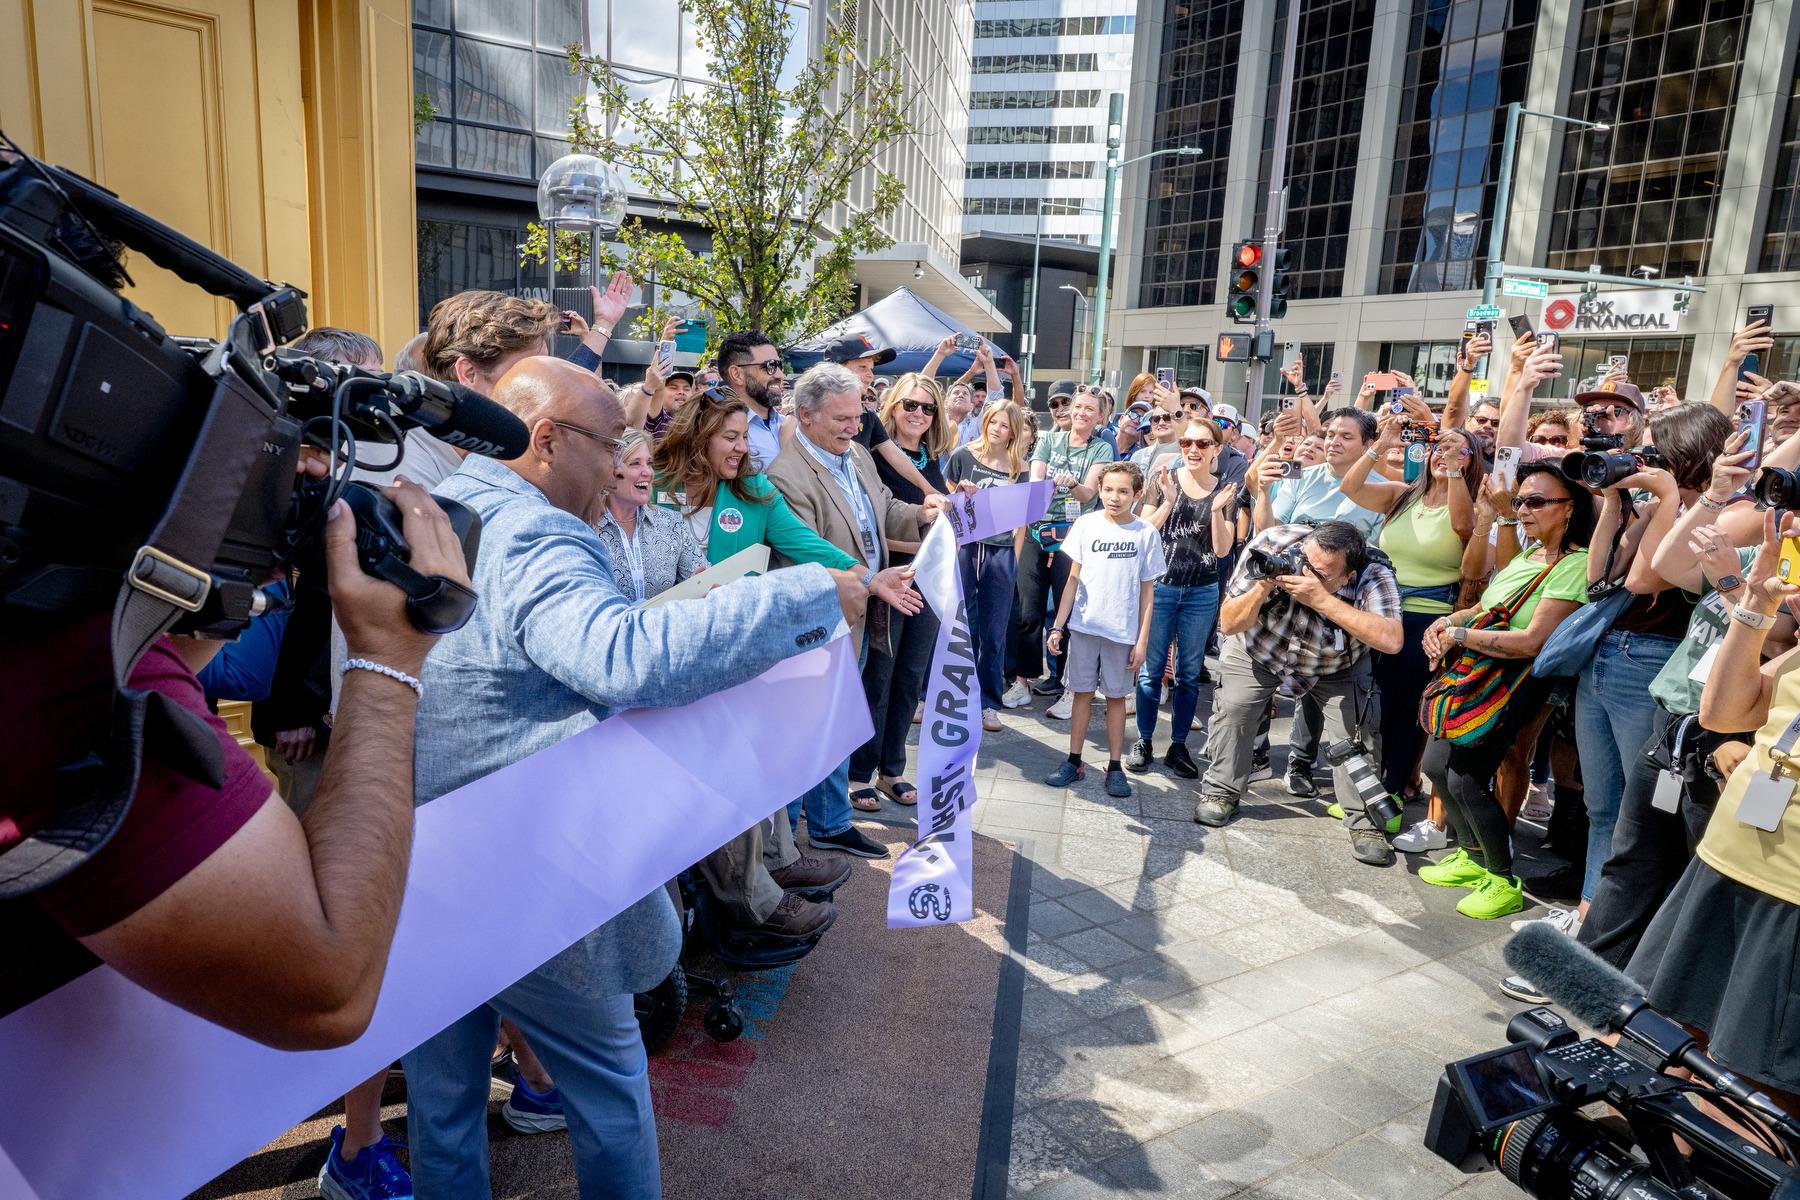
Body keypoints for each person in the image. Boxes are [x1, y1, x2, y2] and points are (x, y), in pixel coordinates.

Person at [402, 356, 869, 1200]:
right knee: (611, 1094)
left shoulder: (440, 507)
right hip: (533, 874)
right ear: (546, 440)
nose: (622, 463)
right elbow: (622, 657)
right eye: (610, 443)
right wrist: (808, 596)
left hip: (430, 858)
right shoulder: (534, 531)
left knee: (443, 1108)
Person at [3, 457, 464, 1075]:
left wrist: (243, 553)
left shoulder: (51, 622)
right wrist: (389, 658)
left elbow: (159, 659)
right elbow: (329, 994)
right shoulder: (55, 661)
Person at [599, 427, 846, 941]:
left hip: (672, 673)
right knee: (709, 763)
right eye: (636, 465)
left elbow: (703, 580)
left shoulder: (667, 525)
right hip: (615, 689)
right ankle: (754, 901)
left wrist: (713, 593)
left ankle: (776, 863)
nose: (647, 474)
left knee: (746, 735)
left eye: (648, 464)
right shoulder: (583, 530)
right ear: (608, 471)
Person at [1625, 507, 1800, 1102]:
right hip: (1724, 861)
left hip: (1789, 894)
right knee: (1668, 1039)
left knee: (1753, 1086)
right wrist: (1754, 602)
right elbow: (1721, 713)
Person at [766, 363, 947, 859]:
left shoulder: (858, 455)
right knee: (807, 730)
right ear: (806, 415)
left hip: (863, 613)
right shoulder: (785, 475)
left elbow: (884, 509)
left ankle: (830, 822)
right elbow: (806, 553)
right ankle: (783, 843)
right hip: (821, 621)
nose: (854, 426)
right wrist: (870, 580)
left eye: (858, 416)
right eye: (842, 418)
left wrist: (923, 512)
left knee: (839, 721)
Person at [1417, 462, 1594, 919]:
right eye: (1519, 501)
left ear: (1569, 508)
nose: (1524, 509)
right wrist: (1447, 622)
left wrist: (1459, 636)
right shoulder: (1528, 556)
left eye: (1536, 501)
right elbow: (1486, 605)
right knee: (1436, 765)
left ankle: (1501, 878)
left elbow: (1533, 641)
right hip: (1476, 673)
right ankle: (1472, 856)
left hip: (1513, 682)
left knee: (1468, 778)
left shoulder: (1574, 565)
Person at [1192, 521, 1404, 868]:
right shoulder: (1274, 543)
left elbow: (1392, 639)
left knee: (1356, 736)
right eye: (1305, 560)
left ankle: (1365, 823)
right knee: (1235, 708)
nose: (1305, 572)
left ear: (1346, 577)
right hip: (1260, 648)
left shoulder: (1373, 572)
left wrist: (1322, 600)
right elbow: (1228, 623)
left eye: (1320, 573)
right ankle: (1221, 791)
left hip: (1335, 664)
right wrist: (1262, 587)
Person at [1332, 414, 1484, 843]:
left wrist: (1454, 471)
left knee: (1405, 713)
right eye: (1440, 448)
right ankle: (1368, 788)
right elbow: (1350, 487)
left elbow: (1463, 527)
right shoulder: (1402, 495)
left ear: (1471, 462)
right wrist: (1382, 443)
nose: (1444, 455)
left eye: (1458, 450)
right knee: (1371, 705)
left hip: (1426, 617)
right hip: (1381, 610)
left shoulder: (1471, 504)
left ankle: (1394, 792)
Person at [849, 374, 954, 810]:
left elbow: (944, 519)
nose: (918, 413)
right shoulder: (873, 454)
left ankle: (892, 768)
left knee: (911, 675)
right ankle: (859, 773)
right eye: (910, 404)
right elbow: (871, 528)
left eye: (928, 407)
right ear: (892, 405)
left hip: (928, 580)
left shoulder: (933, 459)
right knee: (880, 675)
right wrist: (921, 548)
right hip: (889, 577)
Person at [1042, 462, 1166, 798]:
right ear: (1099, 489)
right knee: (1081, 693)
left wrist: (1142, 641)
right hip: (1084, 626)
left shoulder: (1145, 533)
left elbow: (1148, 593)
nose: (1114, 497)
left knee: (1115, 698)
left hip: (1121, 633)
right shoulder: (1086, 524)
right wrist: (1058, 626)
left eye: (1123, 491)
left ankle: (1114, 766)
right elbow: (1072, 579)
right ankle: (1074, 760)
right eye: (1108, 489)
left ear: (1137, 494)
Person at [1126, 417, 1232, 779]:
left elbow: (1222, 549)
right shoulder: (1163, 481)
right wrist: (1168, 502)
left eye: (1202, 444)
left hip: (1202, 590)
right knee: (1151, 670)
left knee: (1188, 674)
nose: (1193, 449)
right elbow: (1143, 532)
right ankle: (1143, 741)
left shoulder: (1225, 490)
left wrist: (1216, 510)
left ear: (1216, 449)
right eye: (1187, 442)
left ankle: (1178, 745)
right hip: (1161, 587)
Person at [1016, 387, 1117, 716]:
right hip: (1037, 529)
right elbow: (1036, 479)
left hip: (1073, 535)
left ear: (1099, 417)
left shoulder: (1101, 448)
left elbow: (1088, 495)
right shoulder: (1049, 439)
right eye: (1079, 407)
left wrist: (1072, 484)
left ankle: (1066, 683)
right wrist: (1045, 484)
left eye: (1090, 409)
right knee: (1028, 610)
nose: (1082, 413)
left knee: (1068, 612)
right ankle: (1022, 680)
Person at [949, 402, 1031, 728]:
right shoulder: (963, 455)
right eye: (993, 422)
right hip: (967, 548)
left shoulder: (1019, 467)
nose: (997, 429)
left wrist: (1014, 559)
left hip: (1001, 552)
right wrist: (960, 492)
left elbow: (1021, 521)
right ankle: (949, 695)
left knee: (994, 632)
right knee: (959, 624)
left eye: (1004, 425)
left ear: (1013, 432)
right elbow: (946, 503)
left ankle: (988, 703)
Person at [816, 332, 941, 497]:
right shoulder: (810, 413)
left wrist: (928, 489)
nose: (870, 375)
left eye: (871, 369)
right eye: (862, 367)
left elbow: (894, 455)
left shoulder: (869, 417)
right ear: (836, 369)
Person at [1252, 408, 1387, 540]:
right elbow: (1267, 532)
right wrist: (1263, 490)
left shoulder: (1383, 491)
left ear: (1367, 445)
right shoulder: (1301, 477)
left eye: (1346, 437)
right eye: (1330, 435)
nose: (1334, 443)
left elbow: (1377, 549)